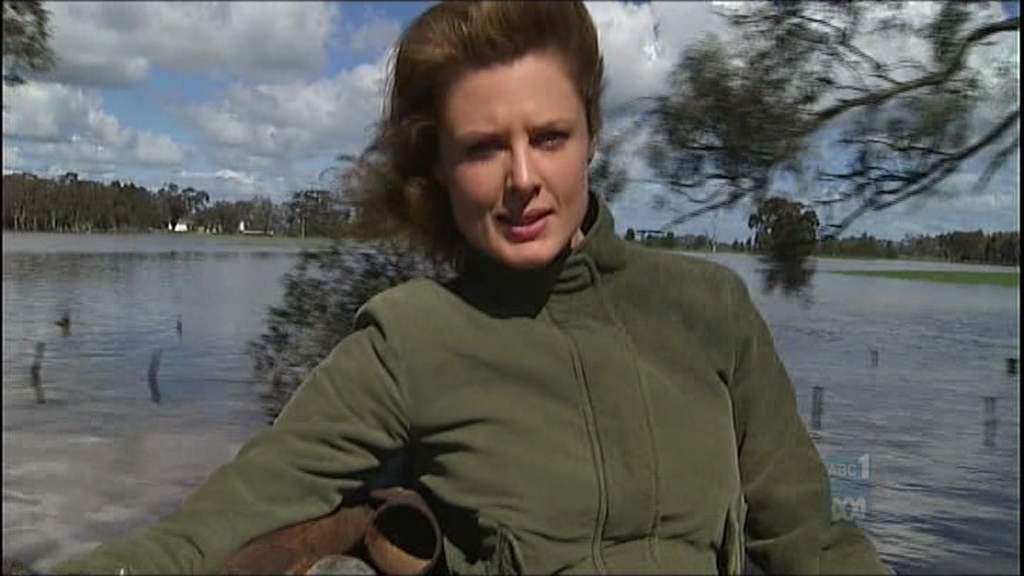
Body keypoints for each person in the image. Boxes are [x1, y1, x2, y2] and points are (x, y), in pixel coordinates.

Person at [49, 2, 891, 574]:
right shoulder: (411, 339)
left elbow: (813, 540)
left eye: (549, 136)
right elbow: (229, 514)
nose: (523, 178)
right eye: (485, 147)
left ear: (591, 135)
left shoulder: (710, 310)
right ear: (441, 168)